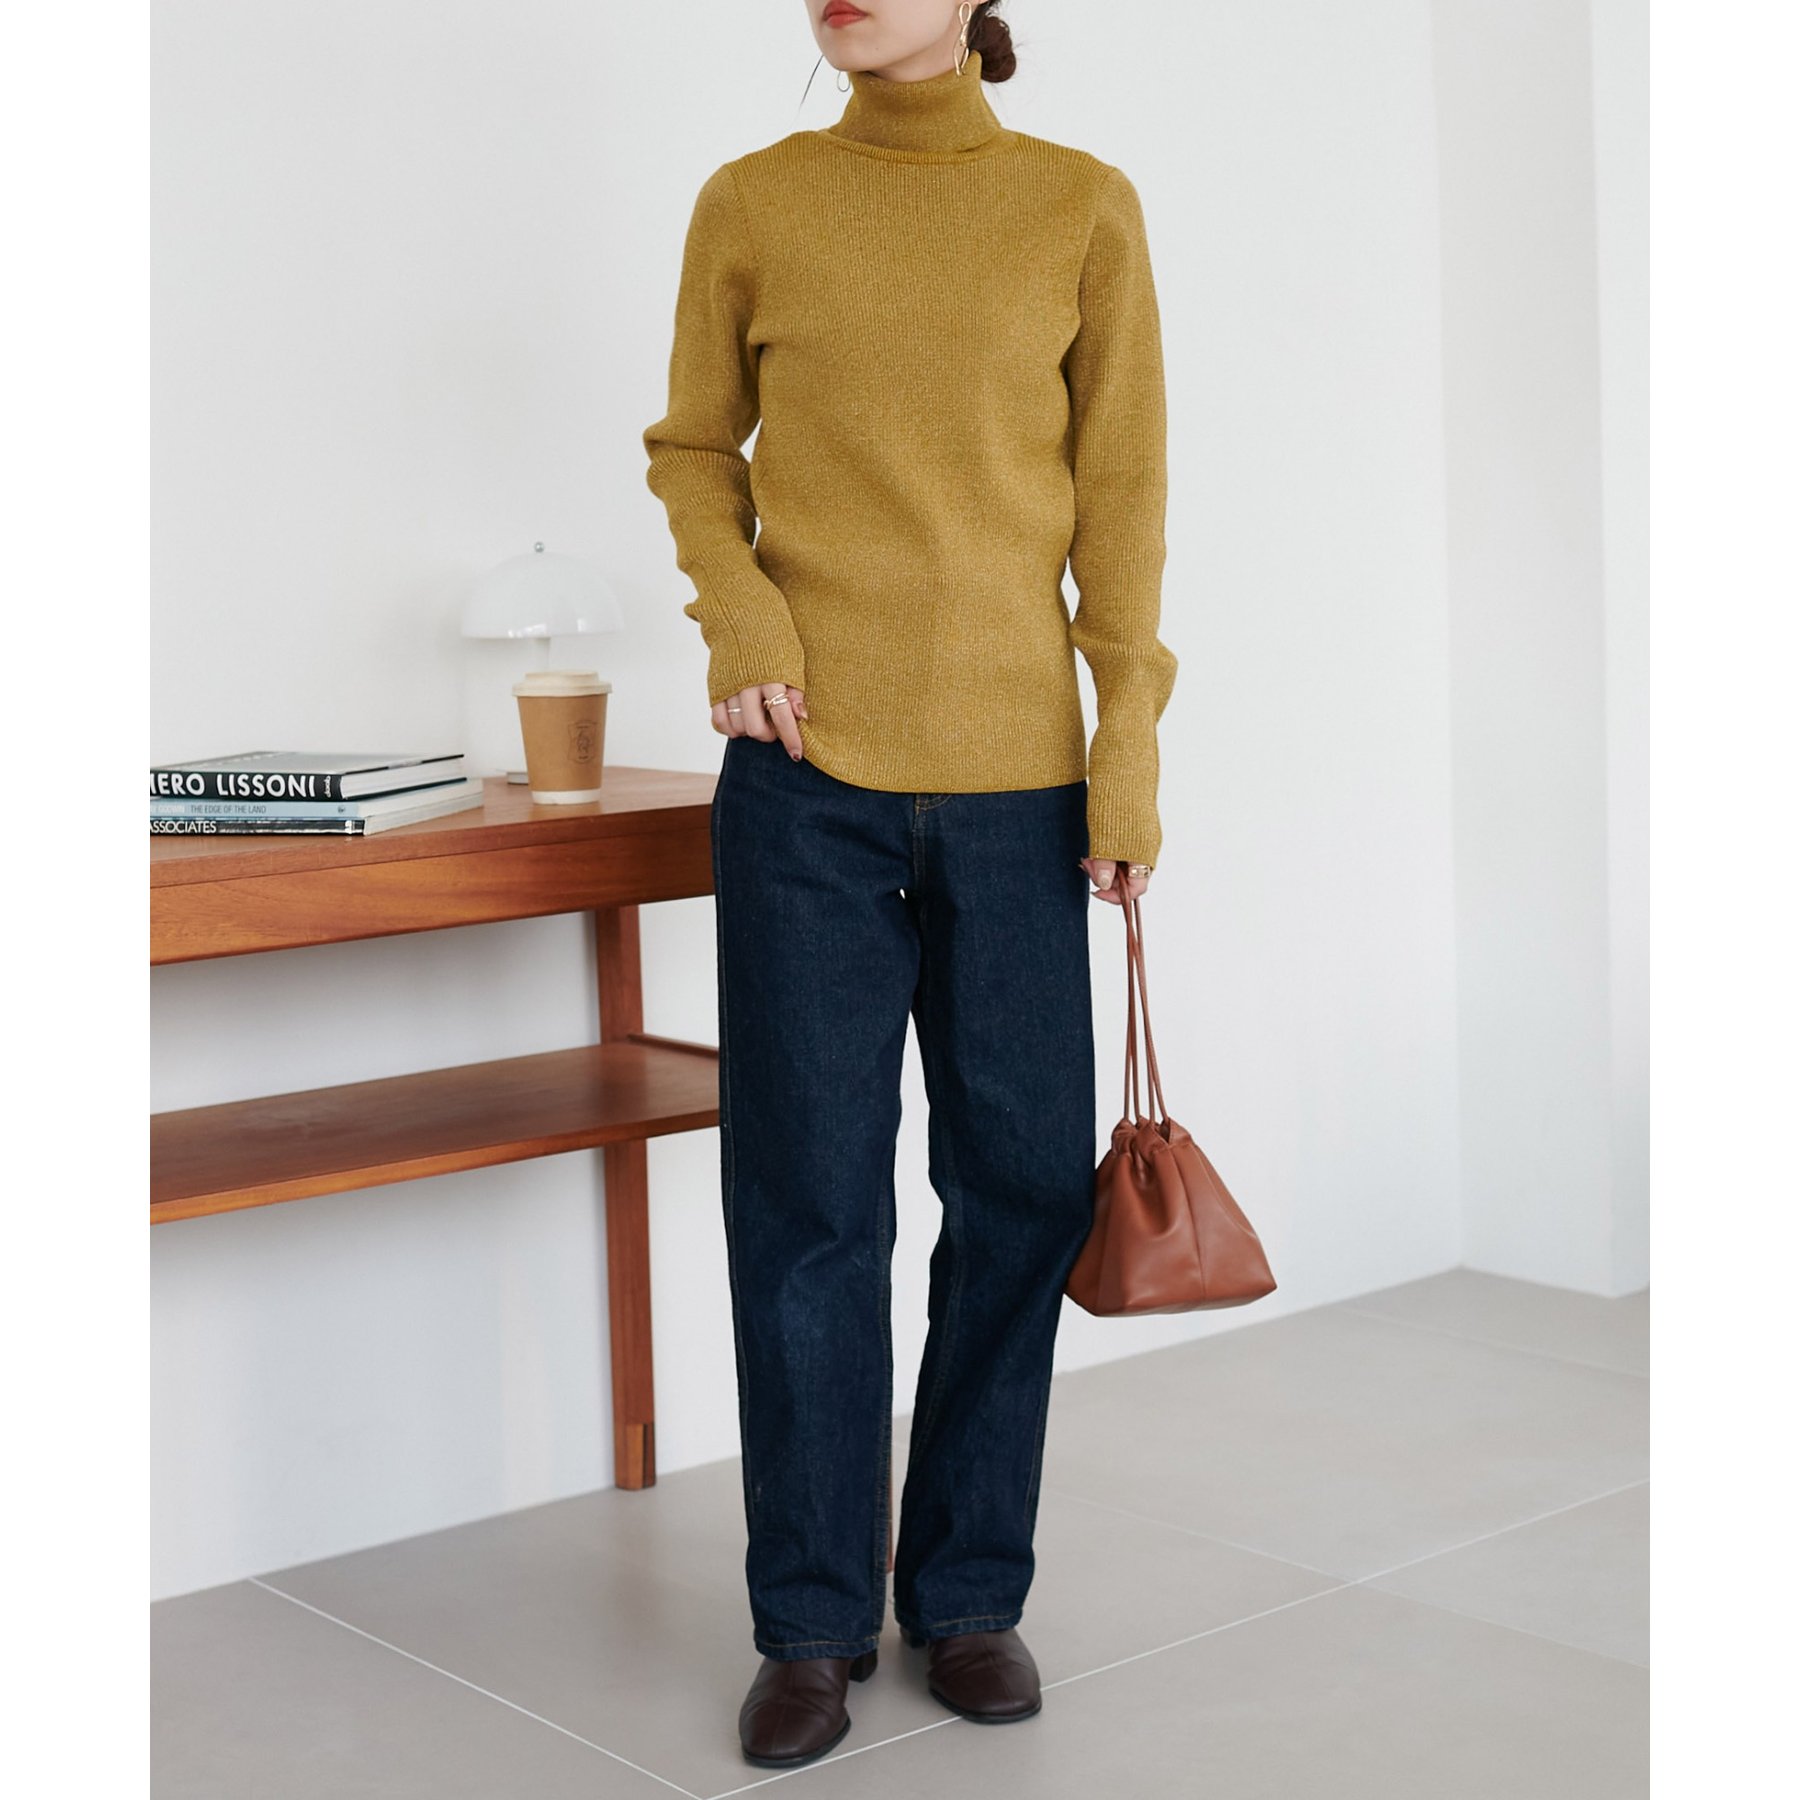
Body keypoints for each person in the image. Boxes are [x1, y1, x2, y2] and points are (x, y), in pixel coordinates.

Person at [641, 0, 1177, 1769]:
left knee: (1017, 1193)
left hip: (1024, 786)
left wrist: (1127, 749)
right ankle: (808, 1622)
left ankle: (966, 1593)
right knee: (807, 1202)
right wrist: (744, 621)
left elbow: (1122, 499)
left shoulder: (1080, 205)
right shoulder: (755, 200)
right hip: (804, 787)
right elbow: (693, 450)